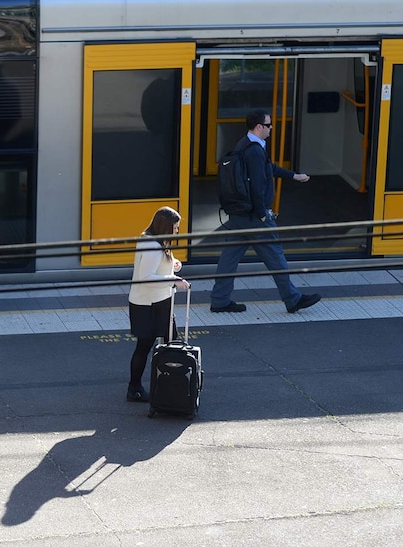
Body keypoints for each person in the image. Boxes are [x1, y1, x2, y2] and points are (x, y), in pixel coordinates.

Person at [210, 109, 321, 314]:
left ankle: (219, 300)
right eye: (269, 125)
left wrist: (293, 176)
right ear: (259, 127)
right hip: (254, 216)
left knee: (229, 257)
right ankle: (292, 299)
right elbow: (257, 186)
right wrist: (262, 214)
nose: (271, 129)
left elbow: (267, 170)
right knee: (275, 255)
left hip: (240, 214)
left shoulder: (245, 144)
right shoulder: (254, 151)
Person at [127, 206, 190, 402]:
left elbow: (156, 265)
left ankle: (168, 383)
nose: (177, 231)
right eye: (175, 227)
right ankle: (136, 388)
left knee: (170, 341)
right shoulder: (153, 246)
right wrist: (174, 280)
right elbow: (146, 277)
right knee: (146, 346)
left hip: (158, 301)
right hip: (149, 305)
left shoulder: (151, 239)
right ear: (165, 227)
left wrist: (174, 263)